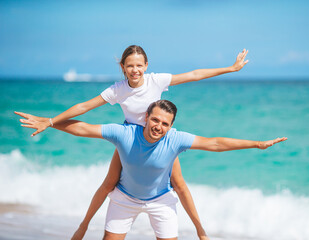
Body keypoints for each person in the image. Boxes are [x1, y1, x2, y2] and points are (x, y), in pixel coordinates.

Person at [16, 45, 249, 240]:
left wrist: (231, 68)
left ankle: (200, 230)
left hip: (160, 139)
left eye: (139, 65)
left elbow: (194, 75)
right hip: (130, 141)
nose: (135, 70)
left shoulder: (156, 80)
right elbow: (84, 107)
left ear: (146, 66)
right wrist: (50, 120)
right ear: (123, 68)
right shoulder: (118, 90)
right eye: (130, 66)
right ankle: (84, 226)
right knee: (109, 185)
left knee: (179, 185)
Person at [16, 100, 287, 240]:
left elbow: (215, 143)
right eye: (154, 119)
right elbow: (83, 128)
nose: (158, 126)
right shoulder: (124, 133)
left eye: (165, 123)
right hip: (124, 198)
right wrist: (49, 122)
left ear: (171, 126)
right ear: (146, 117)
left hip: (161, 200)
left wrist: (256, 144)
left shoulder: (176, 139)